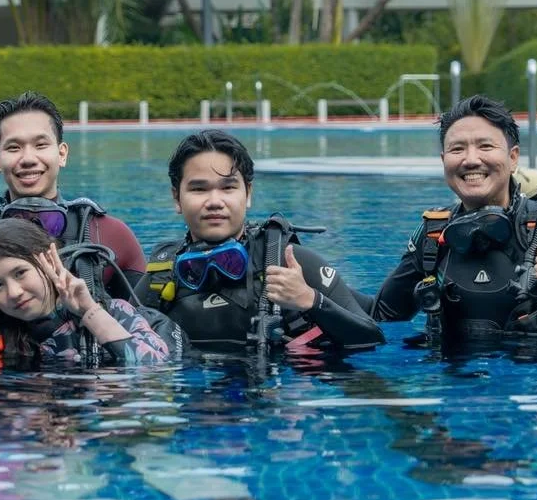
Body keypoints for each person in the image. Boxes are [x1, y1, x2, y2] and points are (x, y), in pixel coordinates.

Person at [372, 95, 537, 343]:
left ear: (513, 158)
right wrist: (331, 284)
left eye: (485, 146)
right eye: (457, 149)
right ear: (443, 160)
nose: (470, 160)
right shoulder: (433, 233)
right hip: (454, 380)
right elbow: (381, 317)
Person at [137, 130, 384, 354]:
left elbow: (371, 336)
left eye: (228, 187)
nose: (214, 201)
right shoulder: (161, 277)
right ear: (176, 198)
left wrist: (310, 300)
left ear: (248, 193)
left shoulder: (288, 262)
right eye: (199, 189)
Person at [0, 92, 146, 302]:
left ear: (62, 154)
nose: (28, 159)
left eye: (41, 145)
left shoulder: (110, 235)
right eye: (14, 148)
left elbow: (148, 325)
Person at [0, 218, 173, 367]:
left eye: (20, 273)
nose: (14, 292)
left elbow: (153, 369)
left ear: (49, 260)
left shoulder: (116, 312)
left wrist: (90, 312)